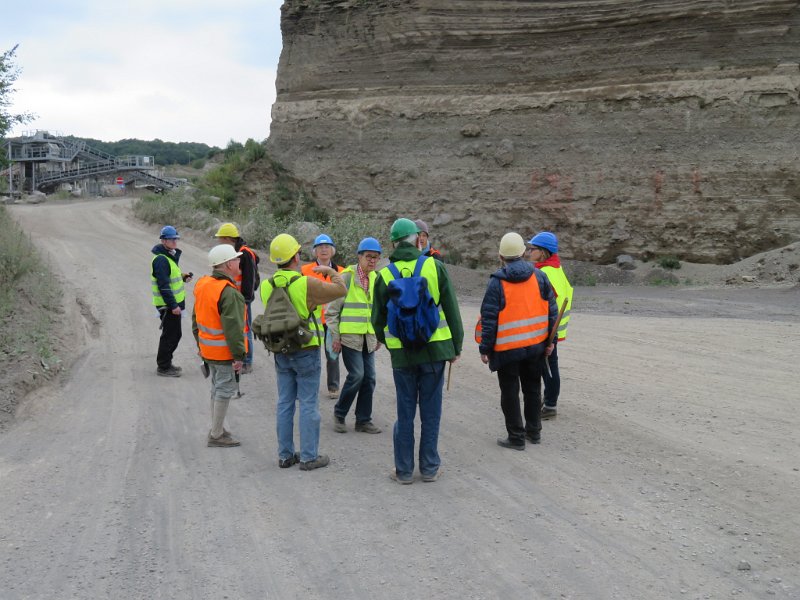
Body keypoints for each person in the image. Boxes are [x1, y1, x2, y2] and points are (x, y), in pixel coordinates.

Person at [372, 218, 463, 484]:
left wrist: (391, 344)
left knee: (405, 413)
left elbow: (377, 321)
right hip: (435, 353)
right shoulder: (435, 267)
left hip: (403, 356)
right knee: (431, 412)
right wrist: (454, 346)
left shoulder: (385, 275)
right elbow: (452, 311)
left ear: (393, 244)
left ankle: (403, 472)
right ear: (418, 240)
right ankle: (429, 468)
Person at [261, 233, 347, 471]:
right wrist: (329, 272)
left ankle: (285, 455)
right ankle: (309, 457)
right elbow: (341, 290)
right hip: (305, 349)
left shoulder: (266, 285)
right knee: (308, 403)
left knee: (285, 402)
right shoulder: (304, 283)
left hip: (281, 350)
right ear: (296, 257)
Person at [478, 232, 557, 450]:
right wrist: (552, 341)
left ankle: (516, 437)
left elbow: (489, 320)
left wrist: (485, 348)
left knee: (510, 393)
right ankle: (534, 432)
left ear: (501, 256)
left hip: (506, 351)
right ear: (523, 253)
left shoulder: (497, 283)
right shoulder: (540, 277)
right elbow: (552, 312)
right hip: (534, 347)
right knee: (533, 389)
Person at [325, 237, 383, 435]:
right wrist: (335, 336)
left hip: (369, 338)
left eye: (375, 258)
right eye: (368, 257)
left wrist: (380, 336)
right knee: (357, 375)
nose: (372, 261)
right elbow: (331, 311)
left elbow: (380, 310)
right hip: (349, 338)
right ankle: (339, 414)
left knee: (370, 378)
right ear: (359, 256)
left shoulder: (377, 279)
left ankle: (363, 420)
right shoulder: (346, 278)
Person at [192, 244, 248, 447]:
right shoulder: (229, 292)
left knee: (216, 389)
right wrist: (239, 356)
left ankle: (217, 428)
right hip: (224, 353)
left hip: (208, 351)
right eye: (236, 259)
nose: (239, 261)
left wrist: (200, 344)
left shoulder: (203, 284)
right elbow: (233, 329)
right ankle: (216, 434)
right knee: (224, 390)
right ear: (227, 264)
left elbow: (195, 319)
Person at [527, 231, 573, 420]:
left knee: (548, 367)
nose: (529, 252)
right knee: (549, 365)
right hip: (553, 328)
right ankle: (547, 402)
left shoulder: (543, 273)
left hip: (546, 329)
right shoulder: (556, 269)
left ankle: (550, 406)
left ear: (543, 251)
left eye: (533, 249)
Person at [301, 234, 345, 399]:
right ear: (315, 251)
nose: (324, 249)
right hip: (312, 321)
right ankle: (308, 386)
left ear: (332, 250)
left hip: (332, 321)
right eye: (320, 247)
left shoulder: (341, 271)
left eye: (327, 247)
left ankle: (333, 387)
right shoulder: (306, 270)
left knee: (332, 354)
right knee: (310, 355)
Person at [214, 222, 261, 374]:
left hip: (243, 299)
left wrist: (245, 300)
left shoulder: (244, 254)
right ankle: (240, 359)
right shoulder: (235, 252)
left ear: (228, 239)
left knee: (245, 330)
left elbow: (249, 279)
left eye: (221, 239)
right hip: (236, 297)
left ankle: (247, 362)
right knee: (238, 329)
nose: (219, 242)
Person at [151, 225, 191, 377]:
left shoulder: (167, 256)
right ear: (163, 240)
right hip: (168, 306)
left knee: (174, 334)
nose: (175, 241)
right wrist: (173, 305)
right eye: (171, 239)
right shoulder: (161, 260)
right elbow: (164, 286)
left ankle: (166, 363)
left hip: (172, 305)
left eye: (176, 239)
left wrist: (182, 277)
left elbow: (170, 276)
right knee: (171, 335)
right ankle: (163, 367)